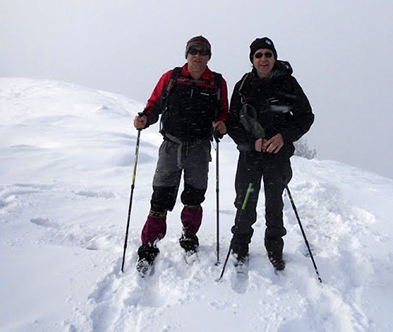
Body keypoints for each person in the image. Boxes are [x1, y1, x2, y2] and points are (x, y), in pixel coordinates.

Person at [133, 35, 228, 273]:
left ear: (209, 56)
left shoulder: (216, 82)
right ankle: (149, 244)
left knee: (194, 197)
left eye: (203, 51)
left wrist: (222, 124)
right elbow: (155, 104)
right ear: (186, 54)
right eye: (193, 51)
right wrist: (144, 118)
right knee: (161, 196)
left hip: (199, 147)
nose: (197, 55)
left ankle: (189, 237)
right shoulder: (172, 77)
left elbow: (223, 112)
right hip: (171, 146)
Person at [227, 37, 314, 271]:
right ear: (252, 60)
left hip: (278, 155)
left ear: (274, 57)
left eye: (268, 54)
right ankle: (240, 245)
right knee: (245, 201)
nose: (263, 59)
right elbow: (232, 123)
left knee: (274, 202)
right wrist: (250, 143)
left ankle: (275, 248)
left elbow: (306, 117)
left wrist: (283, 137)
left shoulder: (288, 84)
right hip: (250, 156)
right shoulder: (243, 86)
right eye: (259, 55)